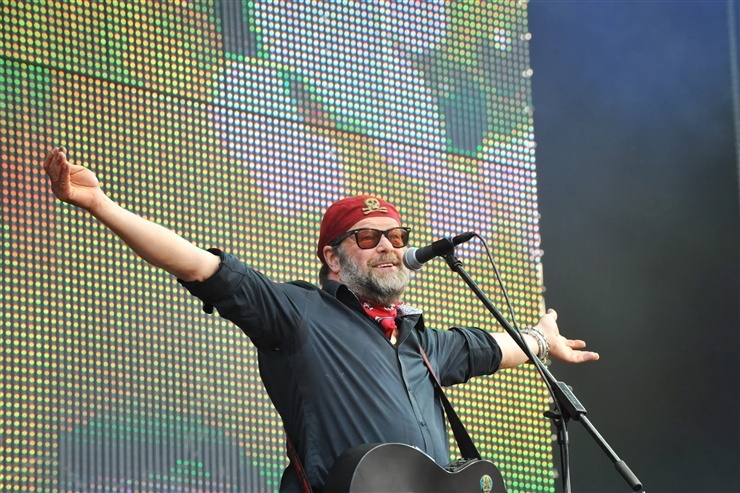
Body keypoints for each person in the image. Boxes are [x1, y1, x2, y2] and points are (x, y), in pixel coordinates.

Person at [43, 146, 599, 492]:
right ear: (333, 257)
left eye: (396, 236)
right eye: (368, 237)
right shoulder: (299, 313)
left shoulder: (421, 342)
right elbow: (197, 265)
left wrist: (540, 340)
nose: (389, 246)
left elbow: (490, 347)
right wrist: (102, 206)